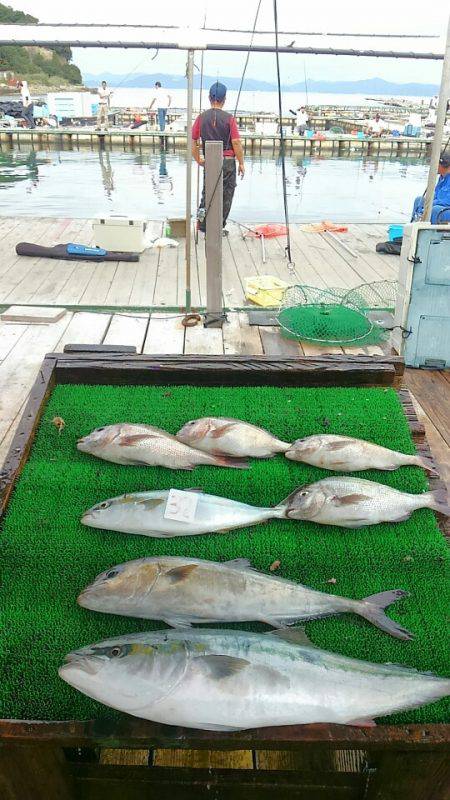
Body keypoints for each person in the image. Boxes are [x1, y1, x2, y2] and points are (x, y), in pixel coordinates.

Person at [192, 81, 245, 234]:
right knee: (226, 194)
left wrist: (198, 159)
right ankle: (218, 225)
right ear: (224, 99)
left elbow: (193, 140)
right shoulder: (229, 119)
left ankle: (202, 225)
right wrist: (241, 162)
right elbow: (236, 142)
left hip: (209, 160)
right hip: (227, 161)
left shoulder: (201, 118)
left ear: (209, 98)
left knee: (207, 192)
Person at [411, 151, 450, 224]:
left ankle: (430, 232)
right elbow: (435, 195)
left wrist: (428, 205)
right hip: (438, 204)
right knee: (419, 200)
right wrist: (425, 204)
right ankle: (414, 224)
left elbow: (447, 202)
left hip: (445, 208)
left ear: (443, 165)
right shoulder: (441, 178)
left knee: (435, 210)